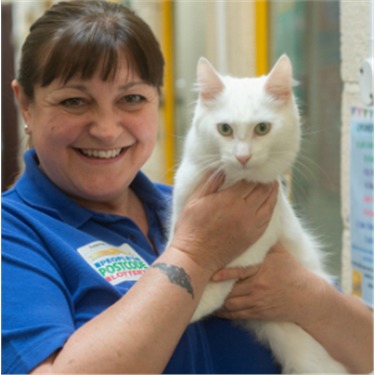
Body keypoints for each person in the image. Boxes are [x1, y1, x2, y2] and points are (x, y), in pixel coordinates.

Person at [2, 1, 372, 374]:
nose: (107, 128)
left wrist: (305, 295)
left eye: (132, 99)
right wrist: (194, 253)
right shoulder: (14, 234)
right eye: (74, 101)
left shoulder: (201, 203)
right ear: (26, 105)